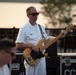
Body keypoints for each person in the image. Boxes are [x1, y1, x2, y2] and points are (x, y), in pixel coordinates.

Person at [16, 6, 67, 75]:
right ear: (28, 15)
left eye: (37, 14)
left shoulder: (41, 27)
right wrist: (31, 45)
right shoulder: (23, 29)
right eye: (33, 14)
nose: (36, 16)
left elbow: (47, 39)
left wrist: (60, 36)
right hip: (31, 57)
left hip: (41, 57)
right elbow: (18, 44)